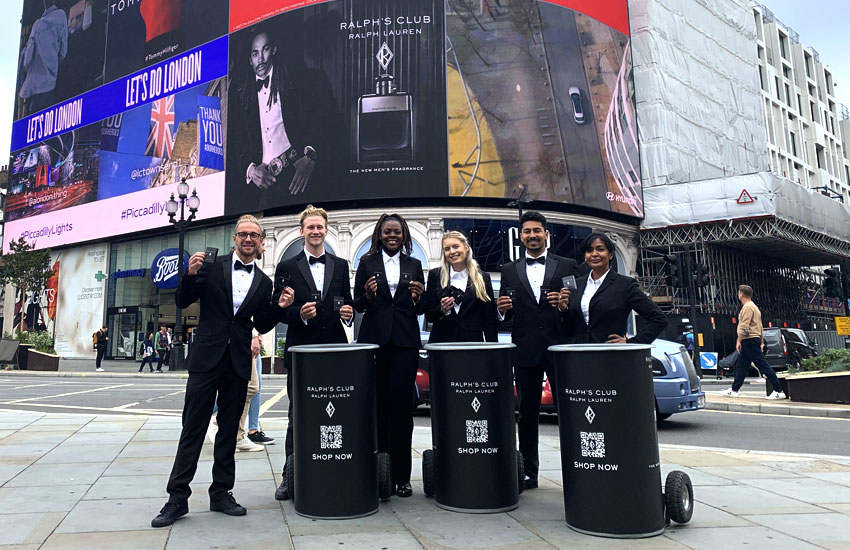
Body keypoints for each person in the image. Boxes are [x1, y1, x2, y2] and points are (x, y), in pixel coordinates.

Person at [151, 215, 293, 528]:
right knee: (193, 428)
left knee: (229, 430)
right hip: (206, 358)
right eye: (243, 234)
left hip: (238, 361)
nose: (248, 239)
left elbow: (262, 323)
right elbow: (183, 299)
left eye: (254, 235)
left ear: (260, 243)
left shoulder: (264, 282)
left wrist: (281, 307)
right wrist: (189, 275)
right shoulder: (213, 266)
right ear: (234, 239)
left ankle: (221, 492)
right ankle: (177, 498)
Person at [273, 205, 354, 500]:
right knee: (298, 414)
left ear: (326, 229)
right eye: (311, 227)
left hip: (335, 349)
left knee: (338, 410)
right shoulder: (287, 267)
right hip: (302, 350)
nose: (316, 231)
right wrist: (300, 314)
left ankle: (338, 465)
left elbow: (348, 303)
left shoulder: (342, 265)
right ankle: (289, 473)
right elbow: (278, 309)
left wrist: (348, 314)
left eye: (320, 227)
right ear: (302, 231)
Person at [496, 211, 578, 490]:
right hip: (526, 349)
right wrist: (501, 311)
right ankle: (529, 472)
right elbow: (506, 313)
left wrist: (564, 305)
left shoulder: (568, 265)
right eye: (527, 231)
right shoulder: (509, 269)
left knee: (569, 411)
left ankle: (576, 468)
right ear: (520, 237)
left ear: (546, 234)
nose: (532, 235)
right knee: (527, 414)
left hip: (559, 347)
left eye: (536, 231)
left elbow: (576, 309)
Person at [354, 213, 425, 498]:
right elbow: (358, 304)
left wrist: (420, 298)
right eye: (387, 232)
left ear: (404, 235)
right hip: (376, 342)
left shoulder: (415, 265)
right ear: (379, 235)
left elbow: (421, 309)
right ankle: (380, 472)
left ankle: (402, 477)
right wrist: (368, 296)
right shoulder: (366, 263)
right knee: (378, 407)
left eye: (397, 231)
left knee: (401, 409)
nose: (392, 236)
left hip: (405, 344)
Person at [228, 23, 320, 212]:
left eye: (265, 50)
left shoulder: (295, 80)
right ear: (249, 59)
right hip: (260, 183)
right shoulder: (239, 92)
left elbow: (317, 119)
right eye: (255, 54)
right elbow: (236, 139)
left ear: (274, 50)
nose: (260, 59)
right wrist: (251, 170)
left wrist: (310, 156)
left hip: (295, 172)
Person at [562, 232, 667, 346]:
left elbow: (659, 319)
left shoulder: (625, 285)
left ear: (611, 254)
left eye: (600, 249)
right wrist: (563, 308)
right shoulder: (577, 284)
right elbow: (568, 326)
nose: (594, 254)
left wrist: (632, 342)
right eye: (589, 250)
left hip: (611, 355)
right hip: (578, 354)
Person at [425, 230, 497, 343]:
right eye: (447, 249)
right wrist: (442, 309)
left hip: (472, 346)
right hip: (442, 345)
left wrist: (493, 350)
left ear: (466, 248)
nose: (452, 252)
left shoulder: (483, 278)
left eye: (455, 246)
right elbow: (429, 316)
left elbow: (489, 320)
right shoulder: (435, 275)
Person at [721, 285, 786, 400]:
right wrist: (761, 341)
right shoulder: (755, 308)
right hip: (752, 339)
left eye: (738, 293)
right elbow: (760, 326)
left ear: (741, 294)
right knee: (742, 366)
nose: (738, 295)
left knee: (763, 365)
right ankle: (734, 390)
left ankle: (778, 390)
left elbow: (744, 327)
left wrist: (738, 340)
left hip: (749, 339)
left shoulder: (747, 307)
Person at [18, 0, 68, 116]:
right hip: (50, 85)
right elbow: (63, 52)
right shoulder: (61, 16)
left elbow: (27, 61)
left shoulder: (37, 25)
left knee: (32, 126)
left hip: (33, 90)